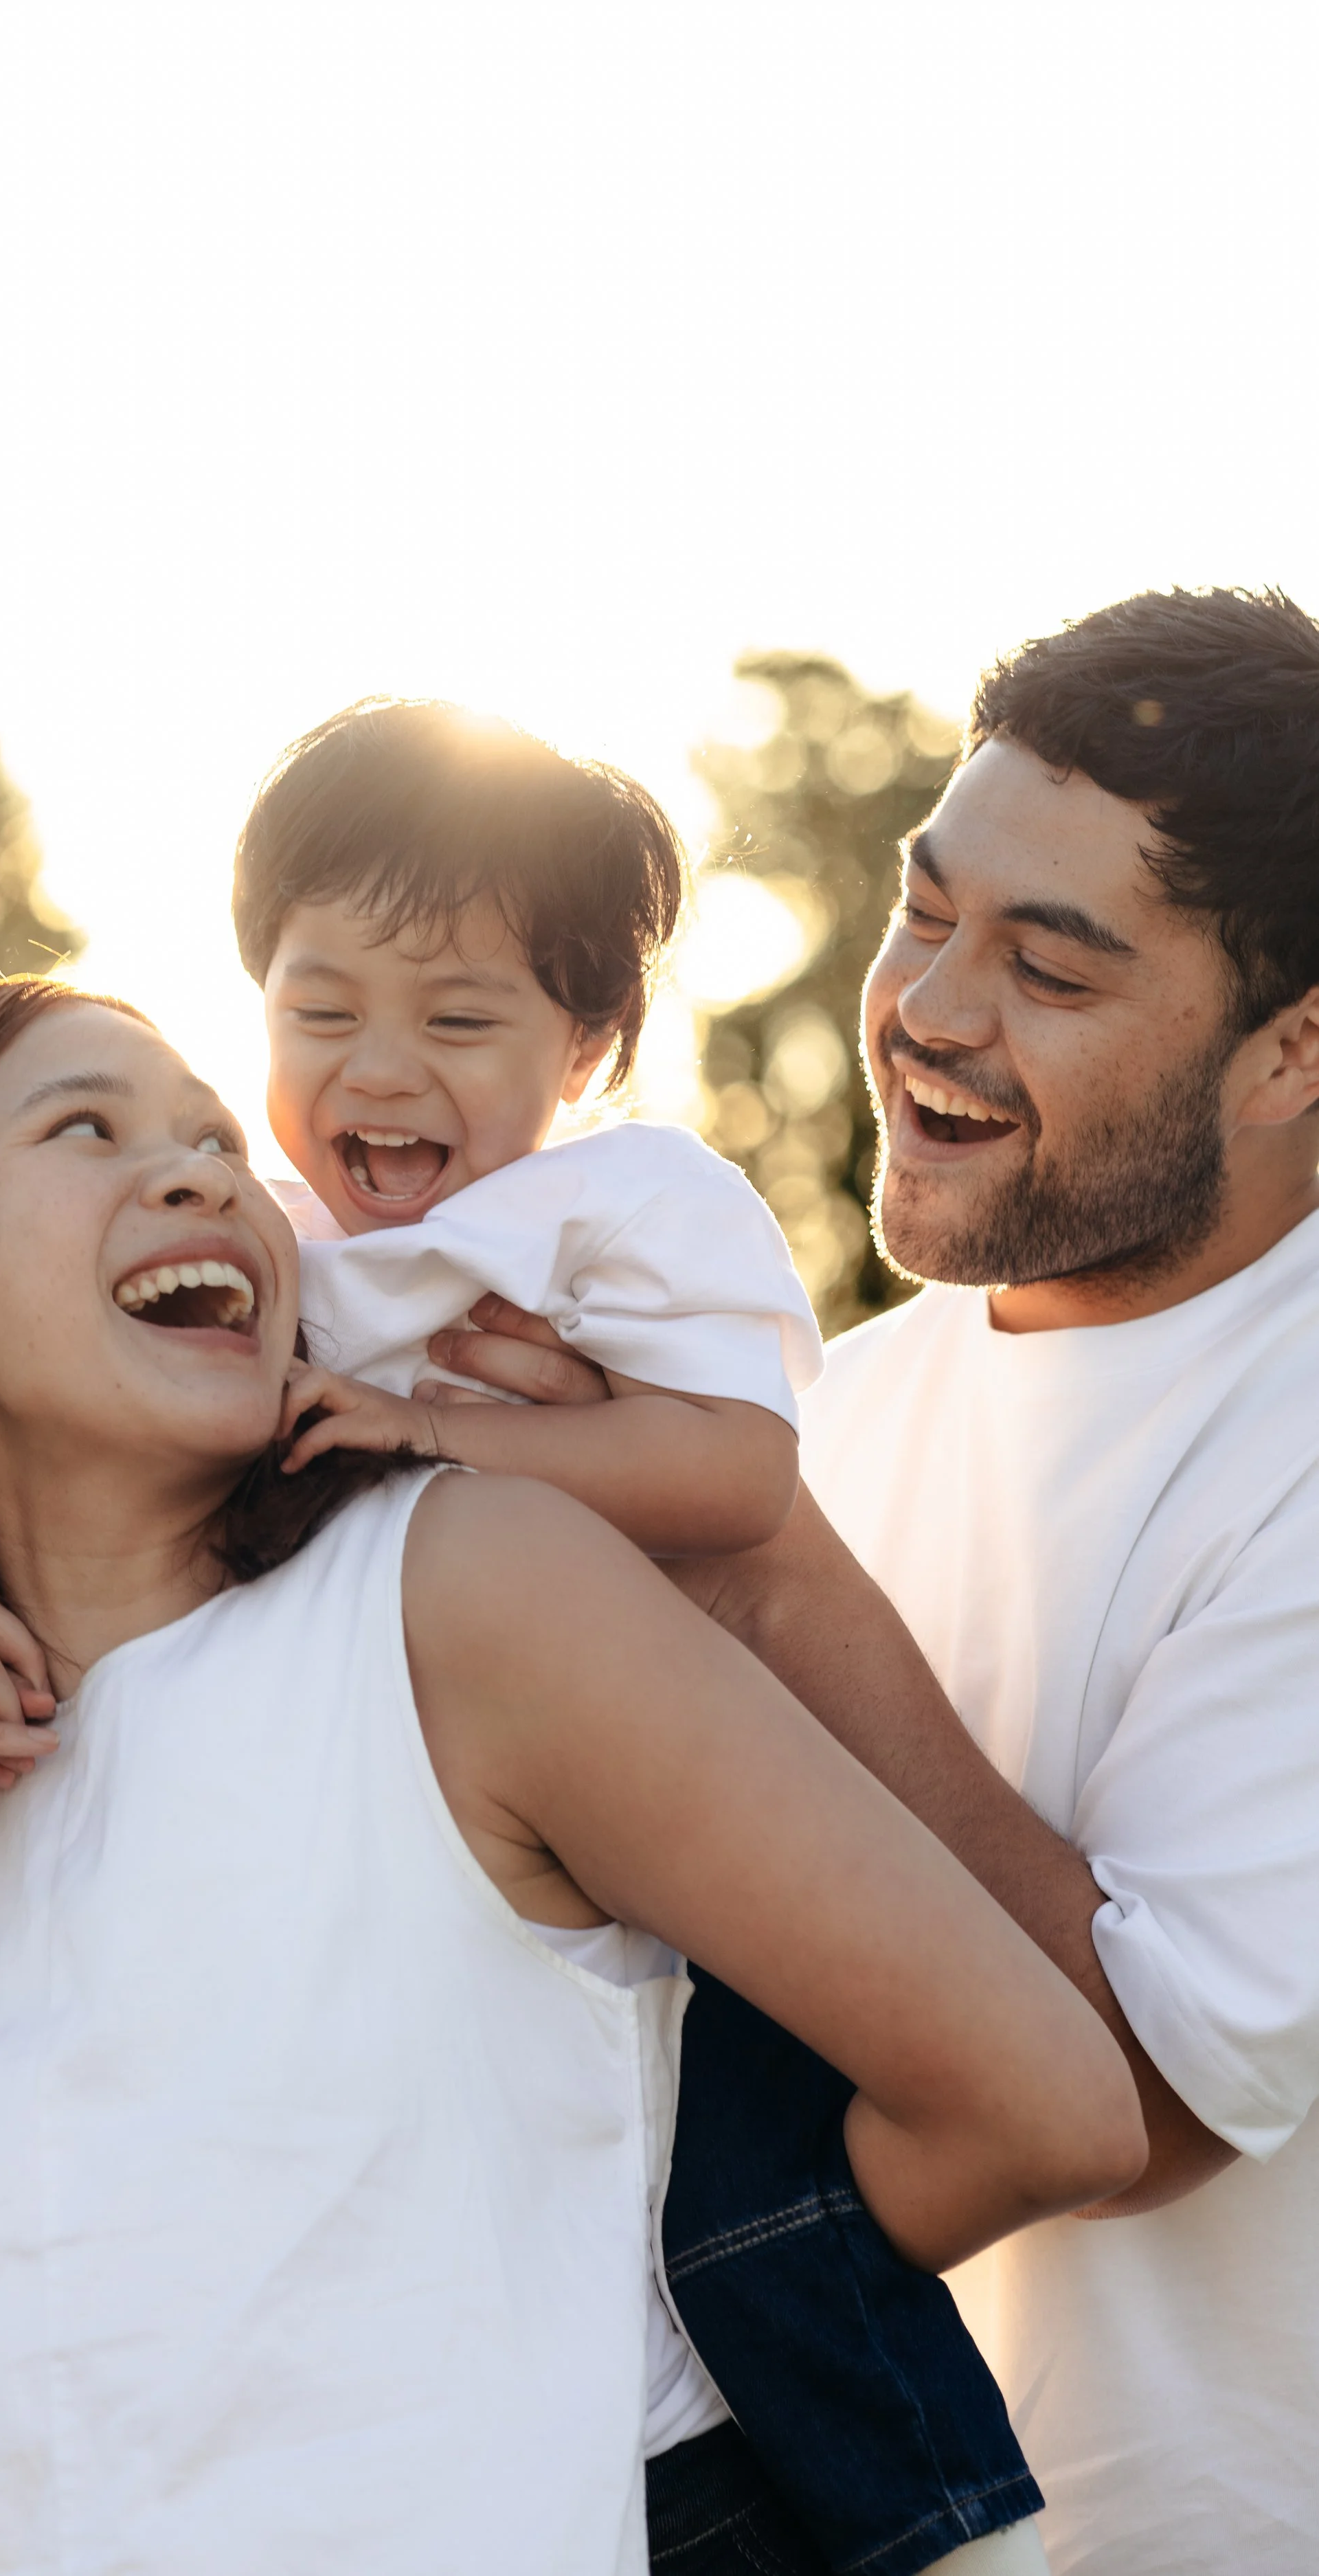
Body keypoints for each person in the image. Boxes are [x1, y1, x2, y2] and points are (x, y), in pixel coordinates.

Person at [0, 979, 1144, 2576]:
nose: (203, 1173)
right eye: (85, 1128)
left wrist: (677, 2333)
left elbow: (1042, 2101)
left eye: (214, 1138)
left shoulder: (461, 1594)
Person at [440, 588, 1319, 2575]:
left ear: (1292, 1049)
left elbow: (1145, 2097)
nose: (925, 1004)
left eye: (1050, 966)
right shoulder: (848, 1399)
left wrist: (761, 1576)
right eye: (927, 908)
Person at [231, 697, 1051, 2574]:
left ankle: (921, 2517)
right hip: (443, 1852)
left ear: (586, 1041)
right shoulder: (258, 1227)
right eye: (320, 1004)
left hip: (692, 1816)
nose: (379, 1068)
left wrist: (443, 1427)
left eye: (457, 1018)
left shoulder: (621, 1205)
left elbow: (731, 1470)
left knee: (746, 2218)